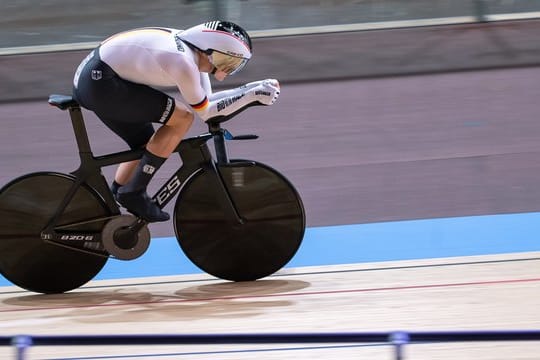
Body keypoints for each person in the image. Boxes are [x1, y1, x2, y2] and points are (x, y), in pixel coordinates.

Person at [72, 21, 280, 222]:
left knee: (147, 145)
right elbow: (207, 113)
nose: (226, 72)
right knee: (182, 118)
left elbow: (208, 102)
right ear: (210, 51)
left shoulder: (193, 50)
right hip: (101, 83)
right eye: (228, 62)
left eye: (235, 66)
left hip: (96, 79)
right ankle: (134, 191)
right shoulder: (183, 62)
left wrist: (251, 90)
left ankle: (116, 193)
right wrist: (252, 94)